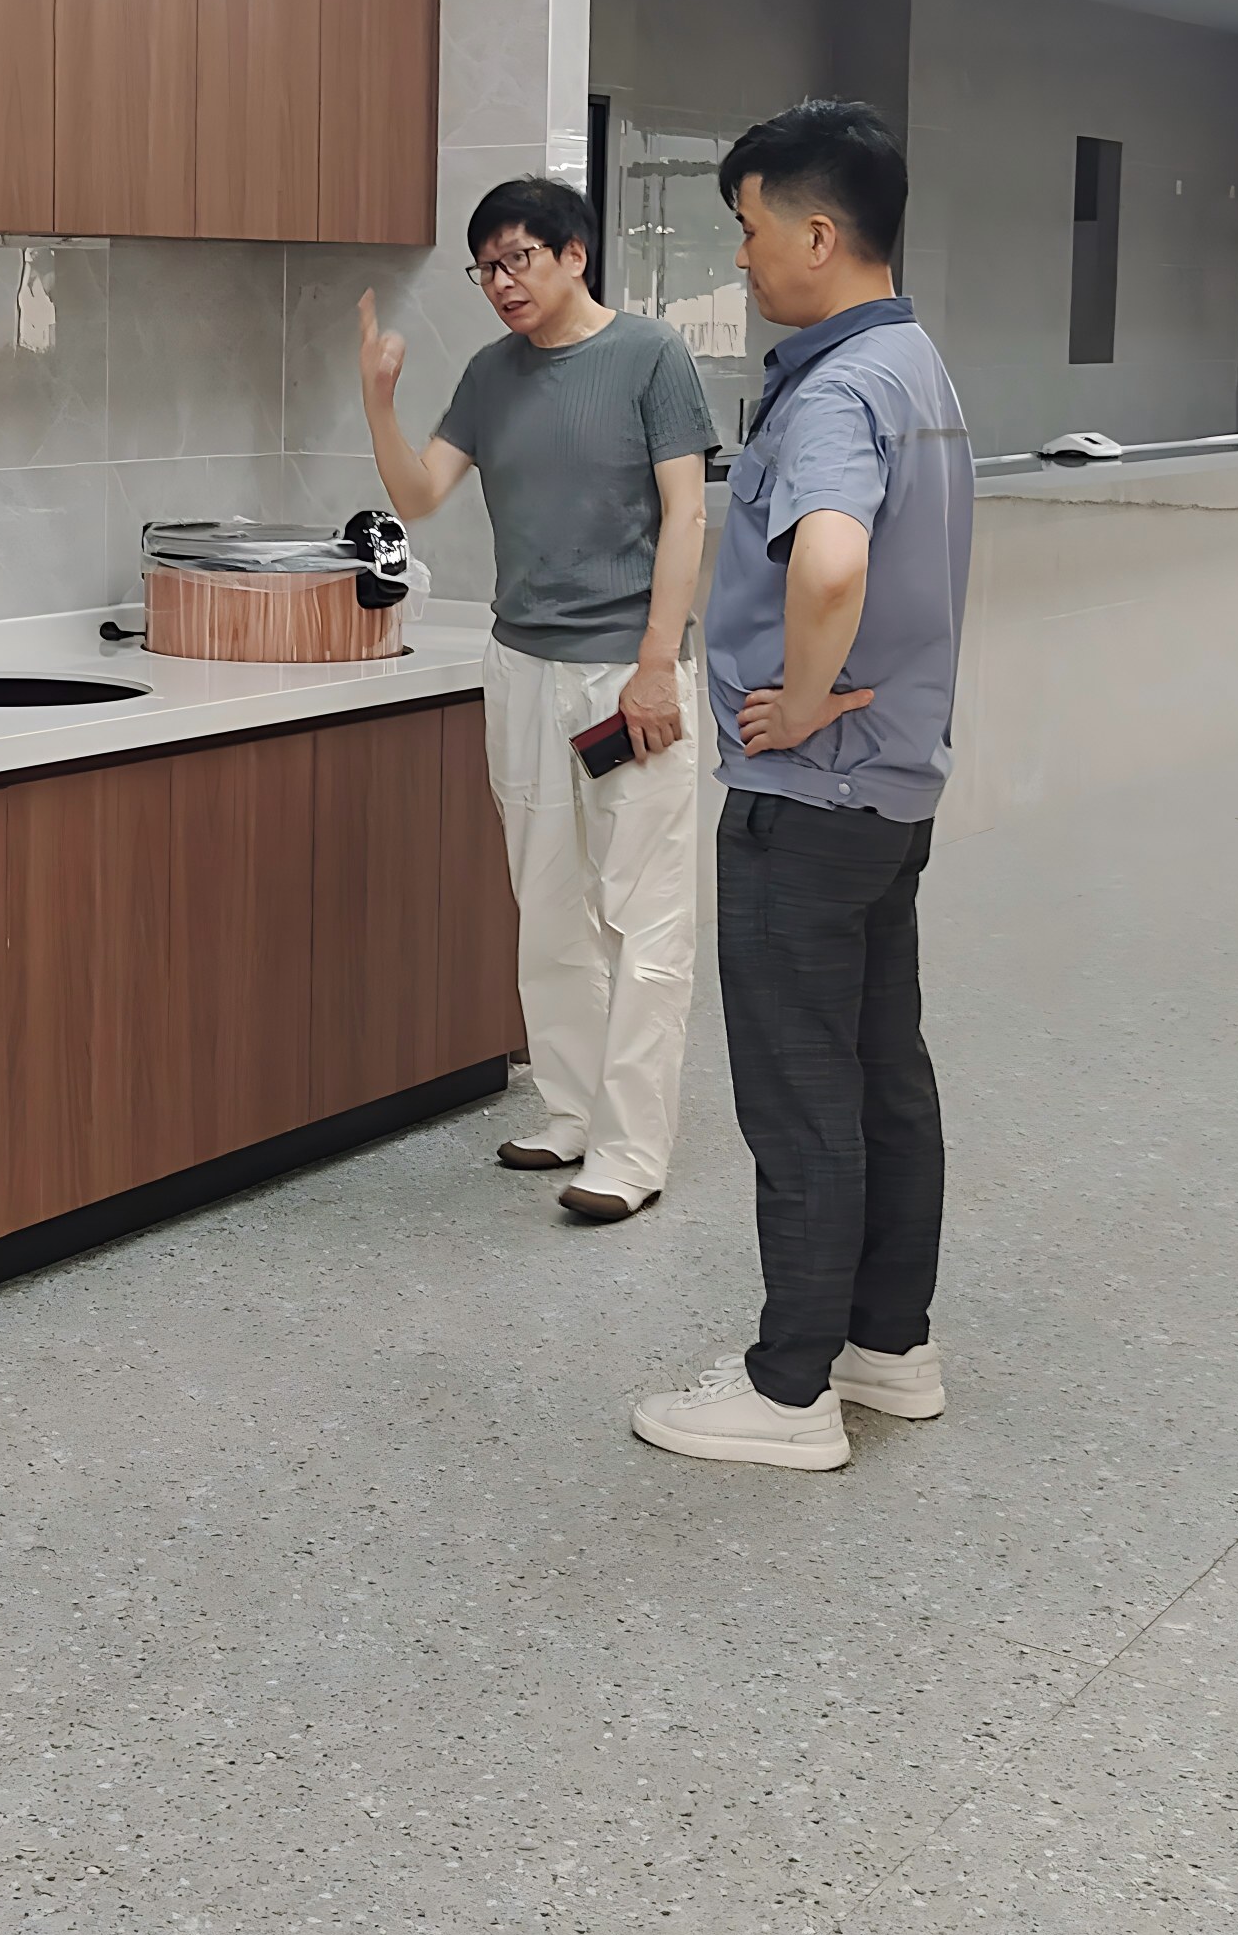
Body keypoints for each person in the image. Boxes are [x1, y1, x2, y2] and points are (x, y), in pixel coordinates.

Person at [633, 99, 973, 1473]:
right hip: (892, 794)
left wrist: (807, 693)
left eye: (749, 227)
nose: (742, 256)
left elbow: (830, 562)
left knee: (798, 1091)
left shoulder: (833, 390)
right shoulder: (914, 363)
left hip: (812, 796)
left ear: (818, 234)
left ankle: (788, 1392)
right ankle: (889, 1346)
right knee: (884, 1073)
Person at [357, 178, 717, 1223]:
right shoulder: (490, 374)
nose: (501, 284)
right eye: (486, 269)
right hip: (521, 667)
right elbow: (420, 494)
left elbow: (686, 516)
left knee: (643, 912)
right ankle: (570, 1109)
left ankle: (631, 1151)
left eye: (517, 259)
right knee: (547, 901)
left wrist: (658, 662)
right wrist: (378, 401)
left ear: (573, 255)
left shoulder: (650, 356)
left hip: (627, 670)